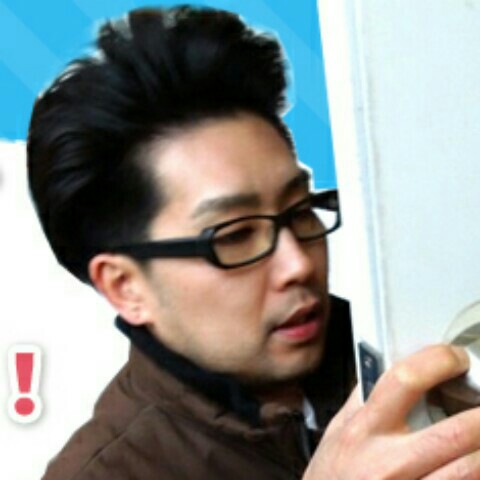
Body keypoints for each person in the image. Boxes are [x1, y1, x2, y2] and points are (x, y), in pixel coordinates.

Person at [27, 5, 480, 480]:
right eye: (235, 236)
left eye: (299, 210)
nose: (298, 264)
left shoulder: (416, 345)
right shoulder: (107, 472)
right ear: (125, 287)